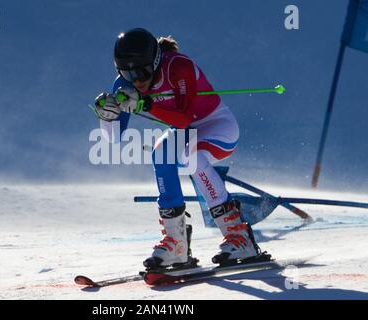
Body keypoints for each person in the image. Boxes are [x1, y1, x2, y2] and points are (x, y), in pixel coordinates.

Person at [94, 28, 266, 270]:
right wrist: (107, 117)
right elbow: (113, 139)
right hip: (186, 133)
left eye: (142, 71)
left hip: (217, 125)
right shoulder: (124, 84)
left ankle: (238, 235)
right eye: (127, 73)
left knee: (190, 155)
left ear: (155, 62)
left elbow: (184, 118)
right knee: (161, 152)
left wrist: (146, 103)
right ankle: (176, 244)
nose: (137, 80)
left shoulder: (178, 67)